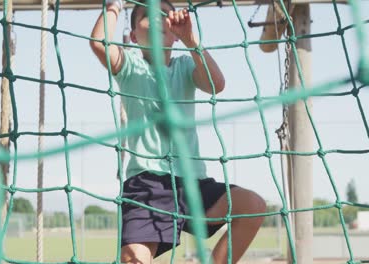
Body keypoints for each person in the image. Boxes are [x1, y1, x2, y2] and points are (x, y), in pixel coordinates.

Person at [90, 0, 266, 263]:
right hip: (147, 186)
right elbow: (98, 42)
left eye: (164, 14)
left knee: (252, 206)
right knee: (133, 259)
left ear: (174, 32)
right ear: (134, 36)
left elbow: (217, 84)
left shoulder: (184, 66)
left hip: (191, 184)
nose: (158, 18)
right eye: (148, 15)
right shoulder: (130, 67)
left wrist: (191, 40)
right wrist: (116, 4)